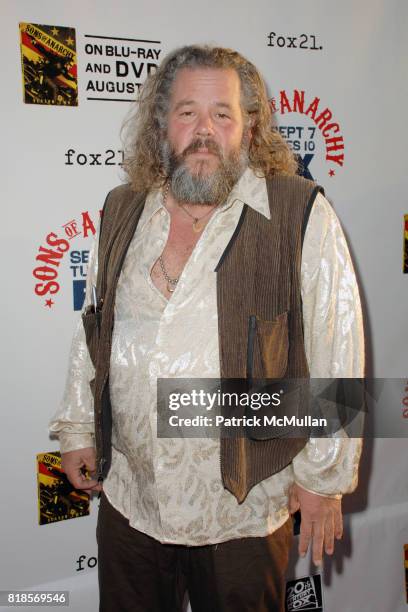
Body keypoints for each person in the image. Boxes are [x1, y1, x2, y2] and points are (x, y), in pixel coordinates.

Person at [49, 44, 364, 612]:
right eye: (187, 112)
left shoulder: (298, 212)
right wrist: (76, 428)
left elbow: (337, 350)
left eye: (223, 114)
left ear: (249, 127)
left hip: (240, 508)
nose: (204, 131)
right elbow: (93, 331)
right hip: (132, 502)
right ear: (161, 124)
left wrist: (323, 479)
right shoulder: (121, 209)